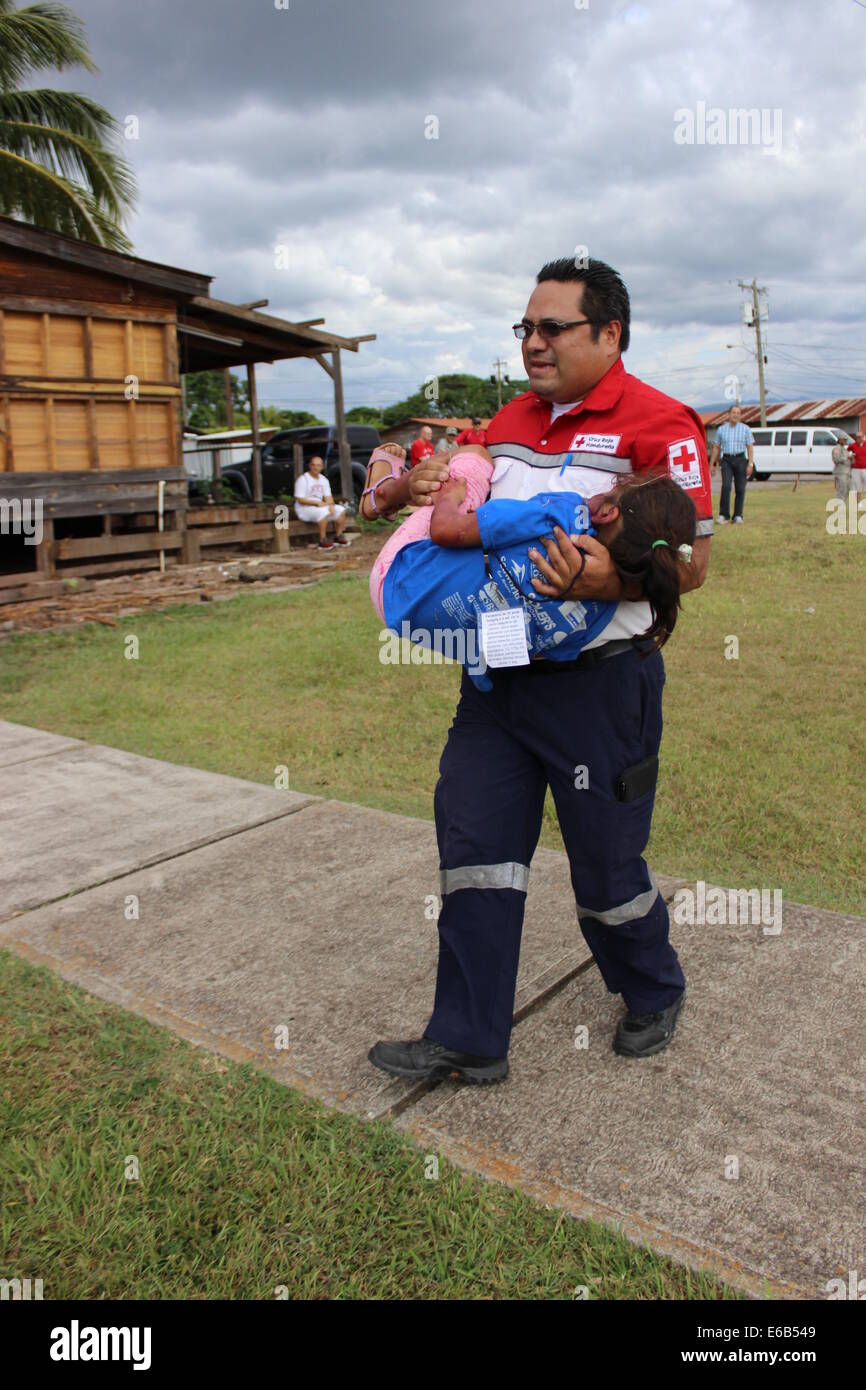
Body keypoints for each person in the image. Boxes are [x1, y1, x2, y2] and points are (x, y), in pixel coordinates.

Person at [367, 256, 713, 1085]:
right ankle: (470, 1037)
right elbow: (461, 494)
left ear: (609, 333)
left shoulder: (660, 423)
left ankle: (652, 986)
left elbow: (690, 561)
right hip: (496, 677)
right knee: (476, 850)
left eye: (552, 327)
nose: (533, 342)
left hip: (602, 687)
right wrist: (415, 482)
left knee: (605, 868)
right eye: (525, 327)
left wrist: (609, 578)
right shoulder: (511, 417)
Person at [362, 443, 696, 690]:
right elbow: (544, 650)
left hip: (394, 575)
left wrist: (450, 498)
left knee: (475, 457)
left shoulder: (560, 515)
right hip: (418, 626)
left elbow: (447, 531)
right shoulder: (598, 613)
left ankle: (380, 488)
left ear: (608, 512)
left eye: (613, 488)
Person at [708, 405, 754, 524]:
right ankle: (724, 515)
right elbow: (716, 448)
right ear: (729, 414)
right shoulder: (721, 430)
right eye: (734, 412)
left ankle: (738, 515)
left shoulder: (746, 429)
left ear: (740, 415)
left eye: (738, 413)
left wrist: (750, 464)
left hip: (740, 459)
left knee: (740, 488)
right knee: (726, 486)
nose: (736, 415)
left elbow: (750, 447)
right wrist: (712, 464)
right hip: (727, 460)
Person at [293, 455, 348, 549]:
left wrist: (331, 505)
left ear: (322, 467)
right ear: (309, 466)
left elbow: (328, 496)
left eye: (318, 465)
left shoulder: (323, 480)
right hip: (304, 508)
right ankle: (322, 540)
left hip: (319, 506)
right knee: (323, 512)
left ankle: (338, 536)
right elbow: (300, 499)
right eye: (313, 465)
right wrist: (316, 503)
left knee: (341, 510)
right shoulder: (303, 479)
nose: (315, 467)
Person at [831, 434, 853, 502]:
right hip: (840, 472)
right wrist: (846, 458)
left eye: (846, 440)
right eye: (843, 439)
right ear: (839, 440)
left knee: (848, 489)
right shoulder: (836, 449)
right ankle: (839, 504)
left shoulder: (844, 449)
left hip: (847, 472)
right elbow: (836, 459)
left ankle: (842, 502)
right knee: (841, 489)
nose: (845, 441)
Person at [848, 430, 866, 503]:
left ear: (863, 437)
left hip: (865, 468)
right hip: (855, 469)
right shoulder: (853, 445)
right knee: (857, 486)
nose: (858, 438)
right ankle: (859, 502)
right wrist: (851, 458)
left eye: (859, 437)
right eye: (857, 437)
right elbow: (846, 452)